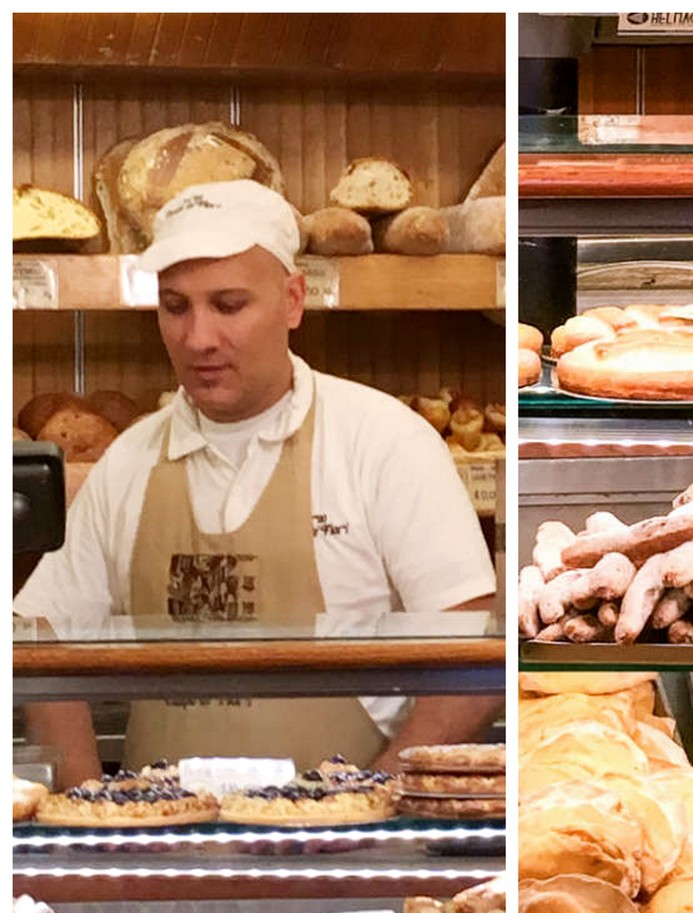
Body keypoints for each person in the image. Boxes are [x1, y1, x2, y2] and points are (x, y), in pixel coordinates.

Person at [15, 179, 500, 784]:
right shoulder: (129, 461)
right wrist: (89, 812)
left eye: (228, 305)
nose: (198, 339)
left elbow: (472, 662)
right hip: (164, 856)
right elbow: (45, 640)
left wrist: (372, 807)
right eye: (175, 306)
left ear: (293, 300)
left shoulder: (384, 443)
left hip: (349, 861)